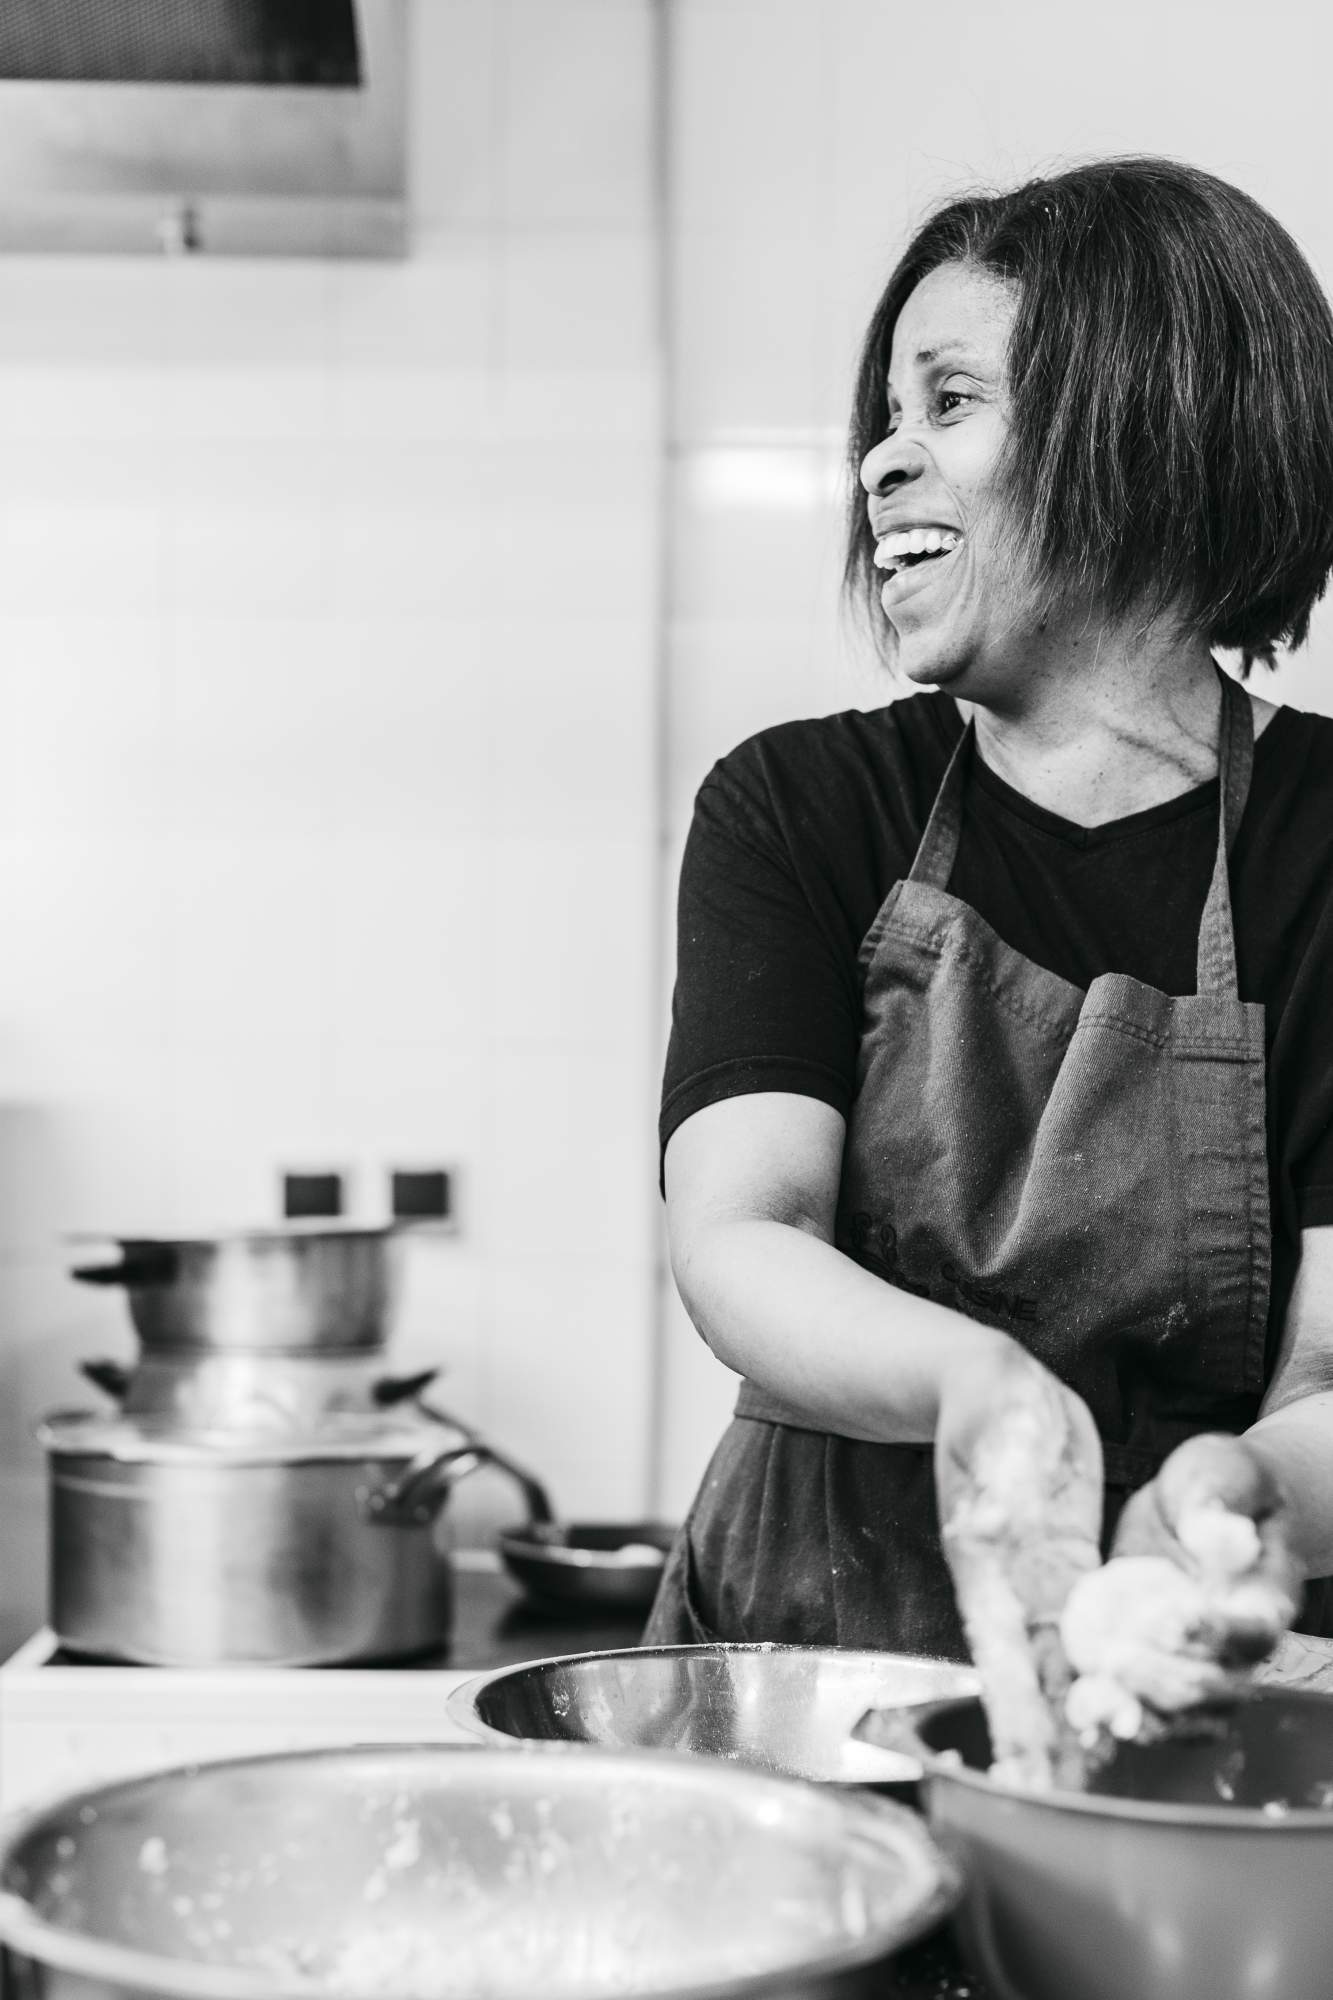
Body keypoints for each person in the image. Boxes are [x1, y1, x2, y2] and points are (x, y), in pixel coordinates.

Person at [643, 157, 1333, 1720]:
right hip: (803, 1671)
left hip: (1185, 1685)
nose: (881, 463)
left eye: (947, 403)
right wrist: (977, 1389)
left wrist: (1237, 1500)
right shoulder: (798, 804)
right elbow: (739, 1235)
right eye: (884, 418)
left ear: (1146, 429)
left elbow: (1331, 1378)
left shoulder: (1321, 844)